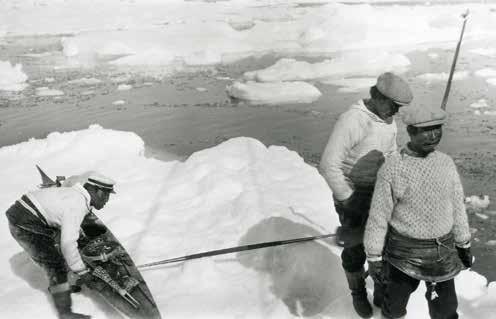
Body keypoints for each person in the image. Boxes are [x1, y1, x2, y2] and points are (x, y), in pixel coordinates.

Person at [319, 72, 413, 318]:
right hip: (353, 194)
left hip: (379, 193)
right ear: (379, 97)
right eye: (393, 106)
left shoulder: (388, 120)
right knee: (356, 248)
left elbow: (390, 153)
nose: (396, 112)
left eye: (399, 108)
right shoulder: (353, 120)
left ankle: (381, 287)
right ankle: (358, 291)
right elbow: (329, 164)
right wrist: (346, 198)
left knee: (383, 245)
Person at [364, 106, 472, 319]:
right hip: (404, 255)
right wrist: (374, 256)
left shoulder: (445, 163)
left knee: (447, 309)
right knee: (394, 308)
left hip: (443, 252)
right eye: (425, 130)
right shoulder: (393, 168)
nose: (433, 135)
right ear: (411, 132)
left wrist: (463, 243)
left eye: (437, 128)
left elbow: (457, 207)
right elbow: (378, 217)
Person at [6, 173, 116, 319]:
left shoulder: (76, 193)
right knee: (54, 264)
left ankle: (64, 281)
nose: (107, 201)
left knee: (62, 242)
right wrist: (82, 272)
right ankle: (65, 313)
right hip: (24, 223)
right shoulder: (76, 205)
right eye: (106, 195)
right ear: (97, 191)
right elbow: (68, 244)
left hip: (28, 213)